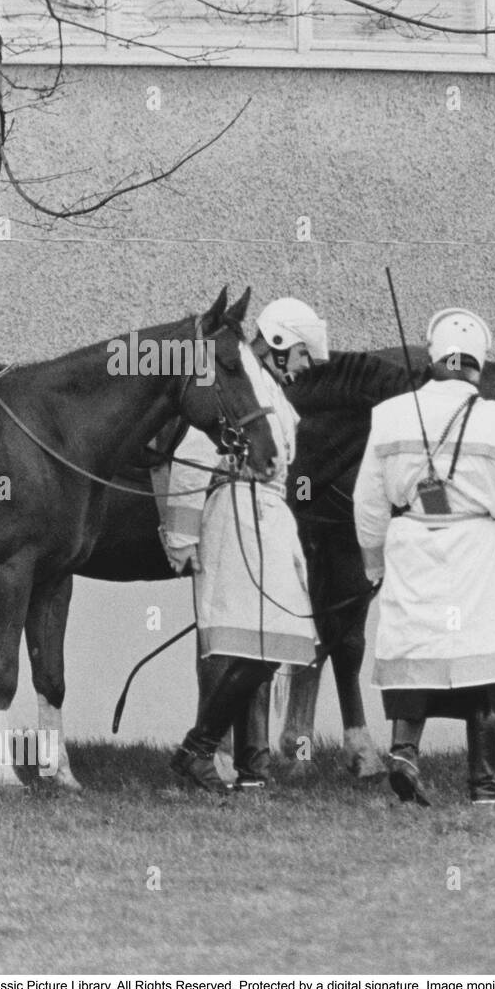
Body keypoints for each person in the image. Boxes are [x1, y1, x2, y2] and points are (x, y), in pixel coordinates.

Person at [353, 308, 495, 806]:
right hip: (479, 552)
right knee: (484, 667)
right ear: (479, 365)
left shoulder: (389, 416)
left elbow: (368, 504)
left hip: (412, 544)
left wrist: (374, 566)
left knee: (415, 652)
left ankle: (404, 752)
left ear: (433, 358)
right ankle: (483, 787)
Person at [165, 298, 327, 795]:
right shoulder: (236, 379)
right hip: (233, 518)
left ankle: (240, 760)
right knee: (241, 646)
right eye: (301, 354)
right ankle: (206, 752)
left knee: (273, 645)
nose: (304, 367)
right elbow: (192, 454)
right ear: (278, 342)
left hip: (269, 522)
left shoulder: (272, 392)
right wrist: (182, 534)